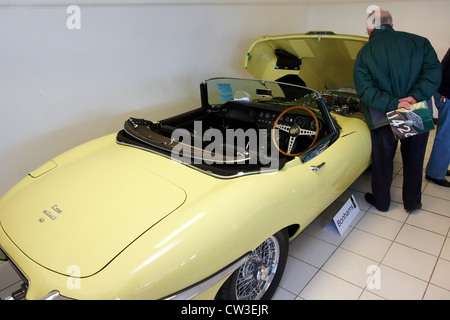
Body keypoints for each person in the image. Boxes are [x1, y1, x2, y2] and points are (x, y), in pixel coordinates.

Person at [353, 10, 442, 212]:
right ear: (392, 25)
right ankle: (412, 203)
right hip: (415, 109)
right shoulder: (421, 42)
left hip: (381, 114)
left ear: (369, 28)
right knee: (414, 158)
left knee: (382, 161)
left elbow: (366, 90)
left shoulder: (365, 52)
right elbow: (434, 73)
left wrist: (394, 103)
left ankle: (382, 202)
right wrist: (413, 98)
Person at [425, 48, 450, 187]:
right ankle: (435, 173)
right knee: (446, 136)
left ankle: (439, 167)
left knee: (445, 134)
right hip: (447, 95)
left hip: (444, 93)